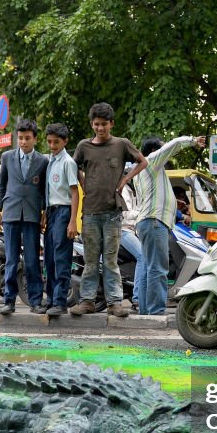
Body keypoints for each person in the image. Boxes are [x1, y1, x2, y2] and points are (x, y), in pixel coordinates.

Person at [70, 102, 148, 317]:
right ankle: (87, 301)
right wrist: (83, 181)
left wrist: (125, 179)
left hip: (113, 213)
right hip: (90, 213)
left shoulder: (122, 144)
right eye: (96, 124)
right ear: (92, 124)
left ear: (111, 124)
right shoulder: (84, 146)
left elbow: (143, 162)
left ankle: (115, 303)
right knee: (91, 260)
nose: (100, 128)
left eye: (104, 124)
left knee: (111, 260)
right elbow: (72, 166)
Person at [131, 134, 207, 315]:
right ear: (153, 151)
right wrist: (192, 140)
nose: (166, 152)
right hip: (154, 222)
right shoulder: (150, 162)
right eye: (161, 148)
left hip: (147, 221)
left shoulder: (144, 172)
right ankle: (156, 311)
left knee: (148, 267)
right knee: (157, 268)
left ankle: (145, 310)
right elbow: (173, 145)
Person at [0, 118, 48, 315]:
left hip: (32, 215)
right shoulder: (7, 157)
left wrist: (45, 212)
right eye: (20, 138)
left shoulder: (43, 161)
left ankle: (35, 301)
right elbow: (1, 185)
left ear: (35, 139)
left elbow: (44, 191)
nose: (23, 142)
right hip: (11, 213)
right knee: (11, 259)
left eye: (27, 138)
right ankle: (9, 300)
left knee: (33, 259)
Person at [42, 123, 80, 317]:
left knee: (61, 258)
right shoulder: (50, 161)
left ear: (65, 141)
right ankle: (50, 299)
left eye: (56, 142)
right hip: (51, 212)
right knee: (49, 257)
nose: (52, 145)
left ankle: (60, 301)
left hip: (64, 212)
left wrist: (73, 220)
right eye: (49, 141)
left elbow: (75, 193)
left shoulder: (67, 162)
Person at [119, 181, 144, 312]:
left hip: (133, 230)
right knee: (142, 256)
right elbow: (123, 214)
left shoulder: (134, 189)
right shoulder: (122, 188)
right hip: (123, 230)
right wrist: (142, 212)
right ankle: (138, 298)